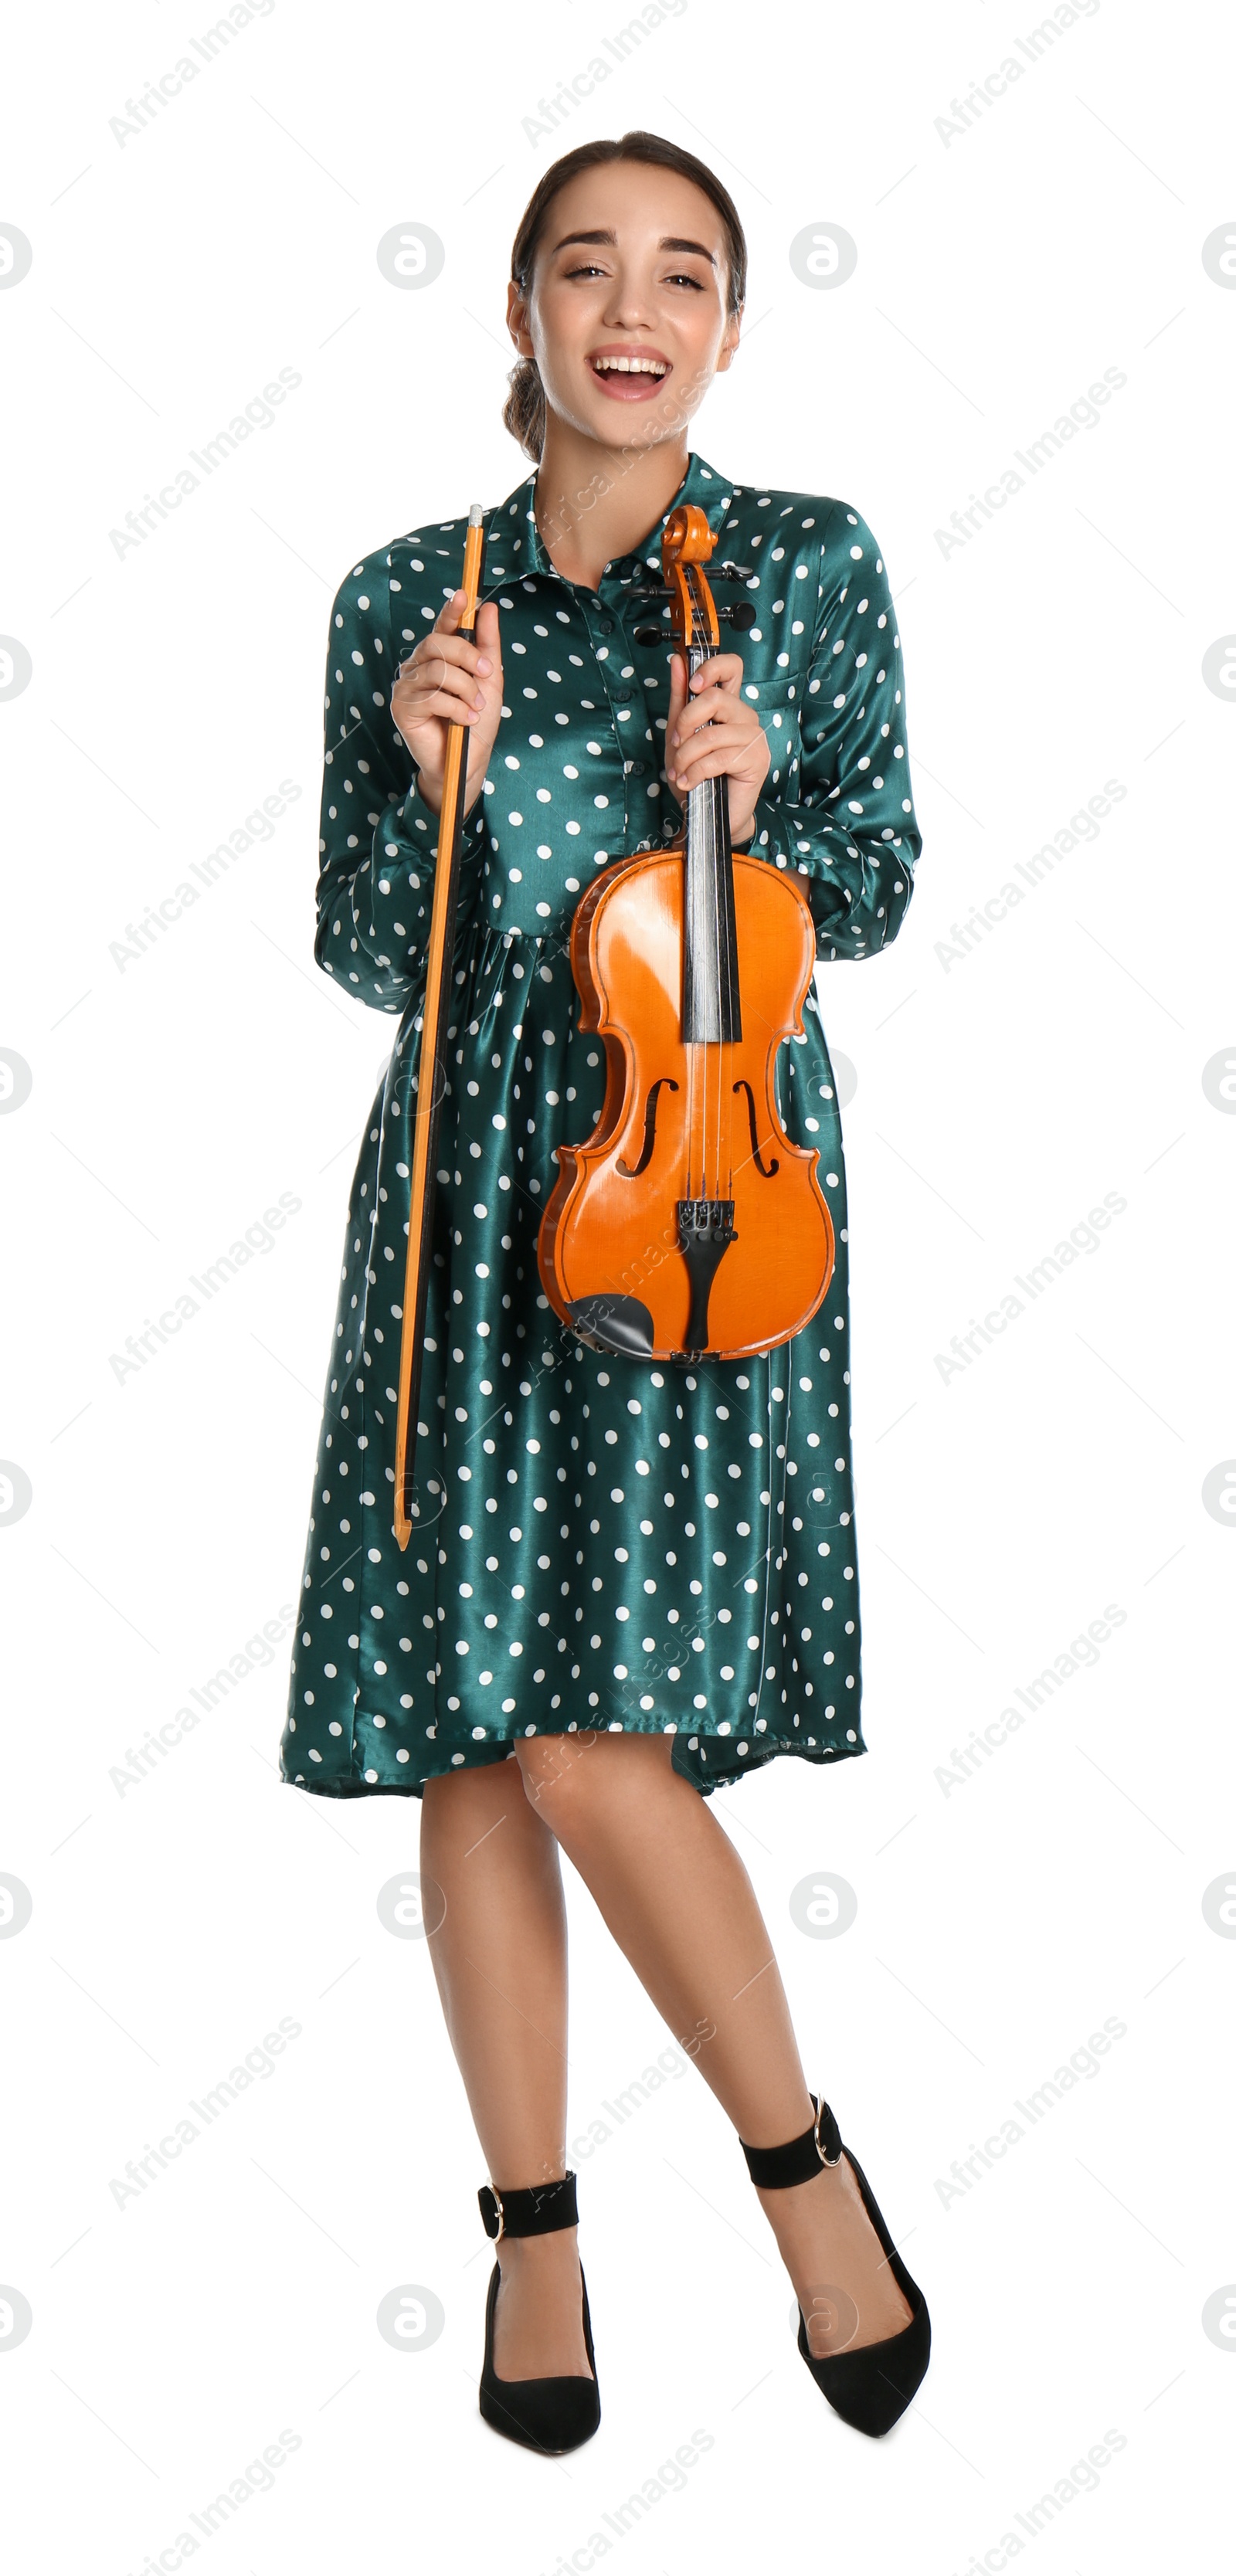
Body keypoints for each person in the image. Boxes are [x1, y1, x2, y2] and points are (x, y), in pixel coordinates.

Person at [280, 129, 929, 2454]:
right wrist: (416, 773)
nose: (630, 309)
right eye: (586, 268)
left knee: (590, 1728)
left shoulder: (801, 569)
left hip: (700, 1179)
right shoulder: (405, 594)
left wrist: (770, 787)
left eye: (682, 275)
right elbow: (372, 954)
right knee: (474, 1723)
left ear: (730, 328)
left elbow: (870, 879)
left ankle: (803, 2180)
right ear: (527, 319)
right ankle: (534, 2242)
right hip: (462, 1183)